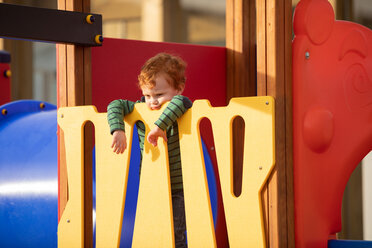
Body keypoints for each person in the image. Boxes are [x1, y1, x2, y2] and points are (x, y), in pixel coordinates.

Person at [107, 53, 192, 248]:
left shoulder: (181, 104)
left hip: (178, 186)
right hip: (151, 183)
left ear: (178, 89)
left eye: (159, 95)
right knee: (153, 230)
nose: (152, 102)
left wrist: (160, 126)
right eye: (147, 95)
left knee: (176, 234)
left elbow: (181, 103)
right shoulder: (140, 108)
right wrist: (118, 129)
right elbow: (115, 104)